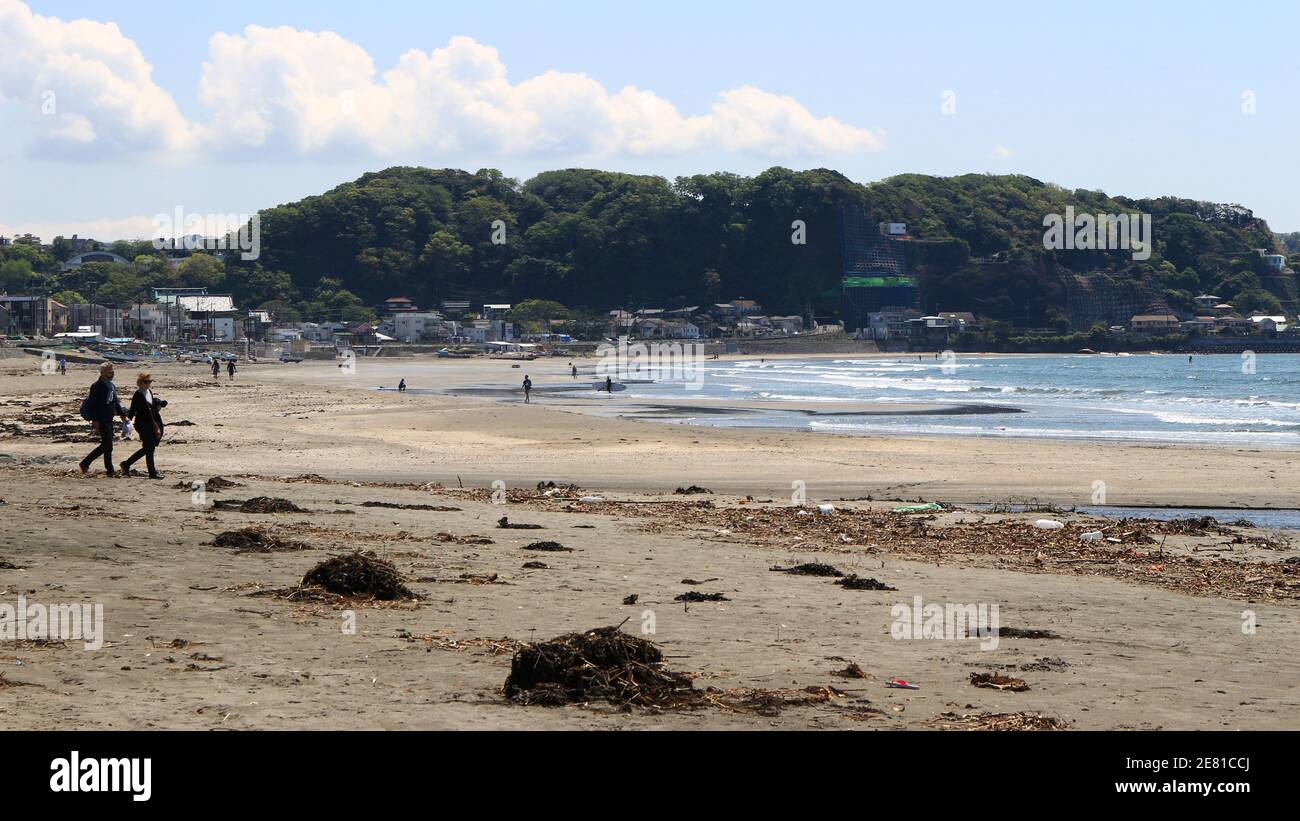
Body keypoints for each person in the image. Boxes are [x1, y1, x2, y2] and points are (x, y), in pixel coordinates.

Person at [79, 362, 128, 477]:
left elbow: (115, 402)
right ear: (103, 373)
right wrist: (95, 420)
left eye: (113, 372)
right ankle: (86, 463)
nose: (113, 374)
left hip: (109, 418)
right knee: (107, 445)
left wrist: (121, 414)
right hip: (100, 419)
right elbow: (93, 405)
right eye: (110, 372)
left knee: (108, 445)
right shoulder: (96, 386)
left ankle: (108, 470)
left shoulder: (111, 385)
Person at [120, 371, 166, 479]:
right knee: (149, 447)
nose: (148, 384)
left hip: (152, 423)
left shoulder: (149, 392)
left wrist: (159, 406)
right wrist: (126, 427)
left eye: (150, 381)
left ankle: (127, 464)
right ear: (140, 383)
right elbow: (132, 411)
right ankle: (151, 472)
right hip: (142, 424)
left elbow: (152, 409)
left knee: (149, 448)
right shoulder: (138, 395)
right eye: (146, 382)